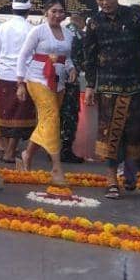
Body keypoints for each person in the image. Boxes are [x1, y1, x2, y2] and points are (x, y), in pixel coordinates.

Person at [82, 0, 140, 199]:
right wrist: (90, 85)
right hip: (109, 88)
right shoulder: (93, 23)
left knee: (137, 134)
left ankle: (131, 174)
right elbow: (88, 57)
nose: (105, 3)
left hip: (137, 86)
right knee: (111, 136)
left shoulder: (135, 16)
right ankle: (111, 181)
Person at [16, 0, 76, 184]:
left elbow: (67, 58)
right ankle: (56, 167)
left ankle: (27, 154)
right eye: (54, 11)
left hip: (58, 82)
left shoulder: (68, 34)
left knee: (46, 121)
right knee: (52, 117)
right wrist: (20, 83)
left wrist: (72, 68)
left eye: (61, 12)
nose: (58, 15)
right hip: (37, 79)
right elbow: (23, 55)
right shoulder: (38, 31)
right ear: (46, 12)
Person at [0, 0, 37, 163]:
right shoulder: (32, 29)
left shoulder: (2, 28)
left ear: (12, 9)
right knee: (19, 114)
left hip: (4, 74)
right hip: (23, 76)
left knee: (6, 111)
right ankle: (10, 150)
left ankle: (5, 147)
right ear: (28, 11)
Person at [58, 10, 89, 164]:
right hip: (71, 80)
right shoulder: (82, 36)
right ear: (82, 21)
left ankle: (52, 148)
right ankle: (65, 150)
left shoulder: (58, 31)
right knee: (70, 114)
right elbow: (85, 61)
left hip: (54, 79)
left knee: (55, 113)